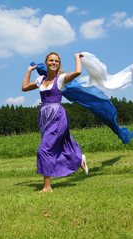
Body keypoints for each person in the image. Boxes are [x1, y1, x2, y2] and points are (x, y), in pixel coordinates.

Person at [22, 52, 88, 193]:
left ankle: (47, 187)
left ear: (59, 64)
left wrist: (76, 57)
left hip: (57, 116)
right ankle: (79, 159)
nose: (53, 63)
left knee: (44, 149)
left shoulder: (61, 79)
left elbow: (77, 72)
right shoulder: (41, 80)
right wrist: (29, 71)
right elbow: (25, 87)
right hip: (44, 117)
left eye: (56, 61)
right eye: (51, 60)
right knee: (57, 145)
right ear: (45, 63)